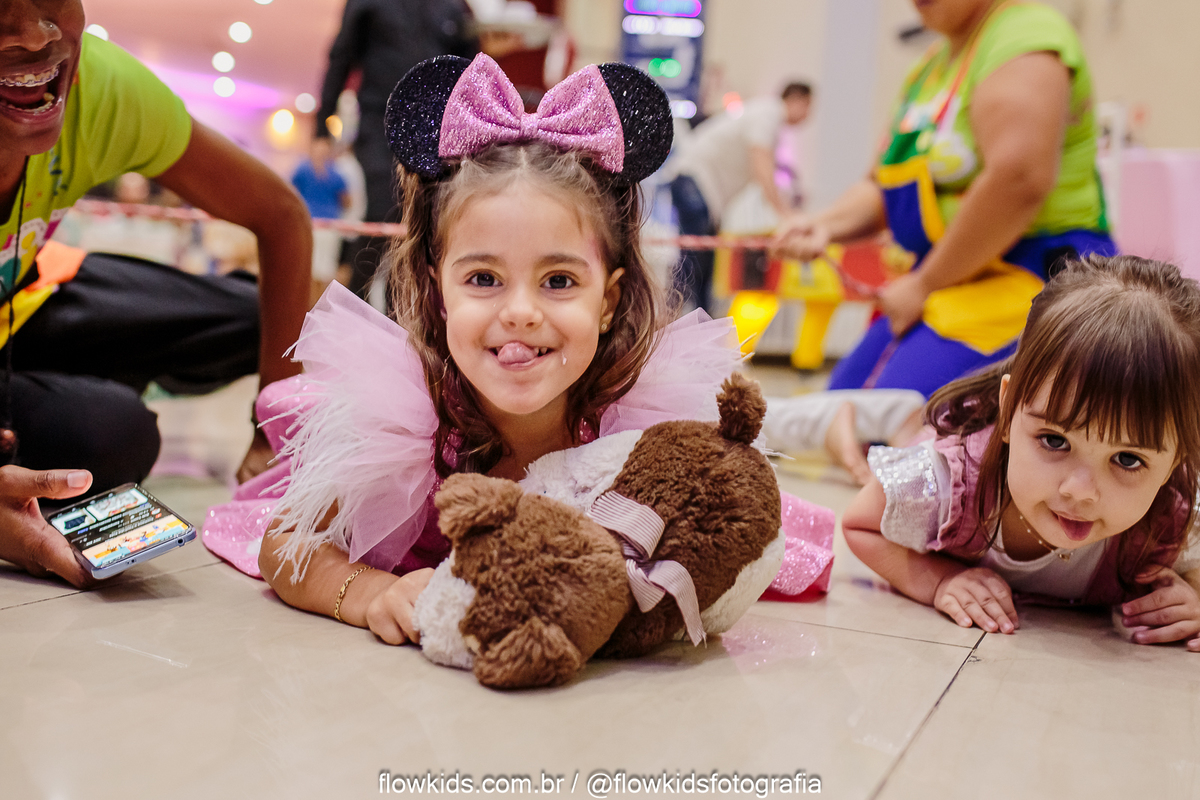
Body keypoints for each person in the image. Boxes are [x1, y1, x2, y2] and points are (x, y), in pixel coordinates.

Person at [201, 54, 834, 643]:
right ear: (437, 291)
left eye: (559, 281)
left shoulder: (637, 424)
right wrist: (367, 594)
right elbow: (286, 542)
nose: (521, 312)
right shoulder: (406, 423)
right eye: (483, 279)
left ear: (608, 300)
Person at [0, 3, 312, 587]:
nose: (38, 35)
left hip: (32, 297)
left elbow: (282, 216)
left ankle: (76, 384)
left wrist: (274, 433)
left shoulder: (99, 86)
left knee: (254, 316)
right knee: (115, 437)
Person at [842, 256, 1200, 649]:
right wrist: (938, 580)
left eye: (1127, 459)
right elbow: (859, 524)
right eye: (1055, 441)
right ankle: (845, 426)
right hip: (944, 432)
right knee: (897, 436)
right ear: (1009, 406)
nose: (1079, 490)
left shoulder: (1175, 514)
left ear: (1176, 459)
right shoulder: (945, 478)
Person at [774, 0, 1115, 398]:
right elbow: (884, 185)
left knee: (894, 413)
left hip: (1039, 274)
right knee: (843, 401)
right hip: (950, 276)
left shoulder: (1027, 34)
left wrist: (924, 284)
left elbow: (1018, 179)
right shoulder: (931, 67)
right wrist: (822, 225)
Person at [313, 0, 478, 299]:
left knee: (418, 223)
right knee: (386, 211)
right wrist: (321, 129)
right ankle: (348, 308)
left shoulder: (454, 6)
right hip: (380, 124)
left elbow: (470, 68)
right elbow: (342, 56)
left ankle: (400, 316)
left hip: (435, 131)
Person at [671, 82, 812, 311]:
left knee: (699, 264)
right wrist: (784, 214)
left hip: (697, 186)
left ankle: (694, 321)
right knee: (693, 265)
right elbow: (762, 167)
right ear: (798, 100)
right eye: (808, 107)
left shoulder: (764, 116)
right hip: (695, 182)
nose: (808, 115)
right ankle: (681, 321)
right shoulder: (768, 113)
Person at [291, 137, 349, 284]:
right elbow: (347, 201)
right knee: (313, 266)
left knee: (321, 268)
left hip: (322, 225)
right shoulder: (305, 170)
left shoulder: (334, 174)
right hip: (314, 224)